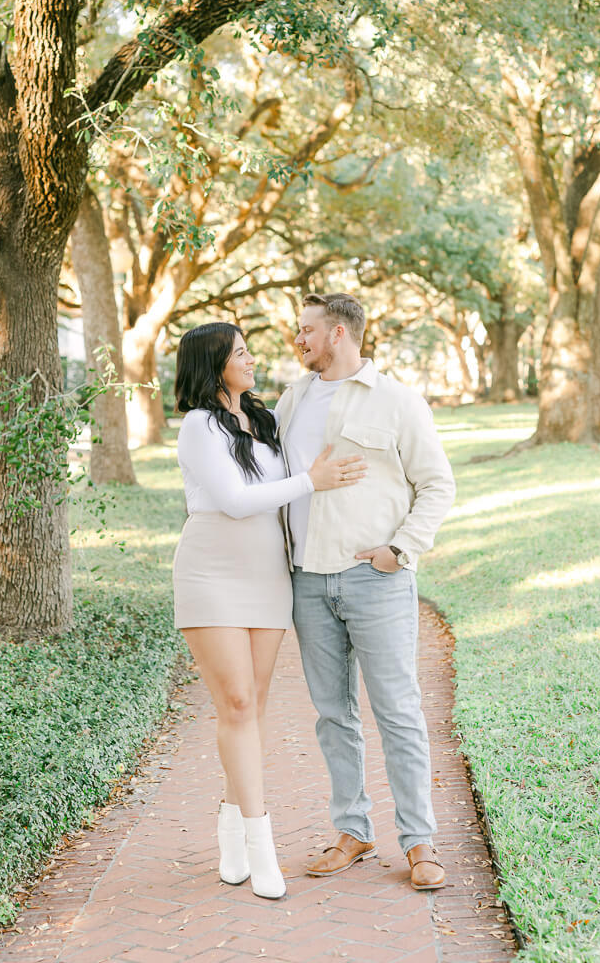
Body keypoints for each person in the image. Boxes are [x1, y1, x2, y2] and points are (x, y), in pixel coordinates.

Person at [172, 322, 366, 900]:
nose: (252, 359)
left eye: (249, 349)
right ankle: (262, 845)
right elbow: (233, 501)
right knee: (234, 703)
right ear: (213, 364)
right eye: (239, 353)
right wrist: (310, 482)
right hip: (212, 569)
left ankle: (231, 825)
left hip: (267, 572)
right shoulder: (198, 424)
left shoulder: (264, 419)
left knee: (252, 706)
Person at [275, 293, 456, 891]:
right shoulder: (291, 401)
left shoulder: (398, 401)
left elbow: (437, 485)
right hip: (308, 579)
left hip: (375, 580)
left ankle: (421, 843)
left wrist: (398, 551)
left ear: (338, 333)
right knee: (333, 715)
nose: (297, 340)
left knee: (398, 712)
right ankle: (353, 832)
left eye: (306, 331)